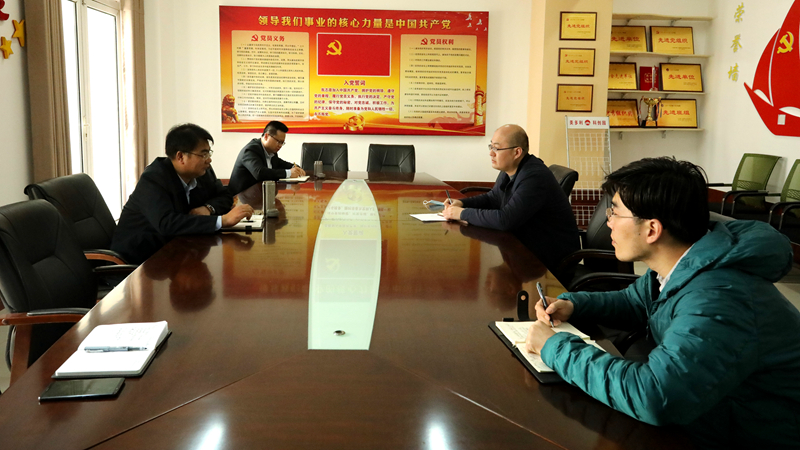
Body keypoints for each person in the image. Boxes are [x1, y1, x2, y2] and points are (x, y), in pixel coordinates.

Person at [525, 157, 800, 448]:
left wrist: (554, 347)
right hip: (710, 412)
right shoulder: (685, 262)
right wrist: (574, 305)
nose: (608, 223)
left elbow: (655, 396)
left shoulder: (719, 298)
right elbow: (634, 301)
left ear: (652, 230)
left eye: (615, 212)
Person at [442, 124, 580, 271]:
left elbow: (506, 220)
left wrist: (462, 214)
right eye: (491, 146)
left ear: (517, 152)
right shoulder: (510, 169)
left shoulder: (534, 177)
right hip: (527, 247)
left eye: (496, 148)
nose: (491, 153)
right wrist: (461, 203)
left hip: (551, 259)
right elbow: (493, 199)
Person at [111, 123, 254, 264]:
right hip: (138, 261)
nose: (209, 159)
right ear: (180, 157)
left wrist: (208, 208)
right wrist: (222, 221)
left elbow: (225, 195)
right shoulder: (154, 178)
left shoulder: (203, 172)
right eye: (203, 154)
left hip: (177, 253)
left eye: (209, 153)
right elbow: (167, 223)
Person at [227, 120, 306, 195]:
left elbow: (279, 163)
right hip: (240, 198)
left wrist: (295, 167)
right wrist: (288, 173)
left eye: (282, 143)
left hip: (260, 195)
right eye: (278, 141)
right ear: (266, 136)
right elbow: (259, 173)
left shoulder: (271, 151)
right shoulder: (251, 150)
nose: (280, 145)